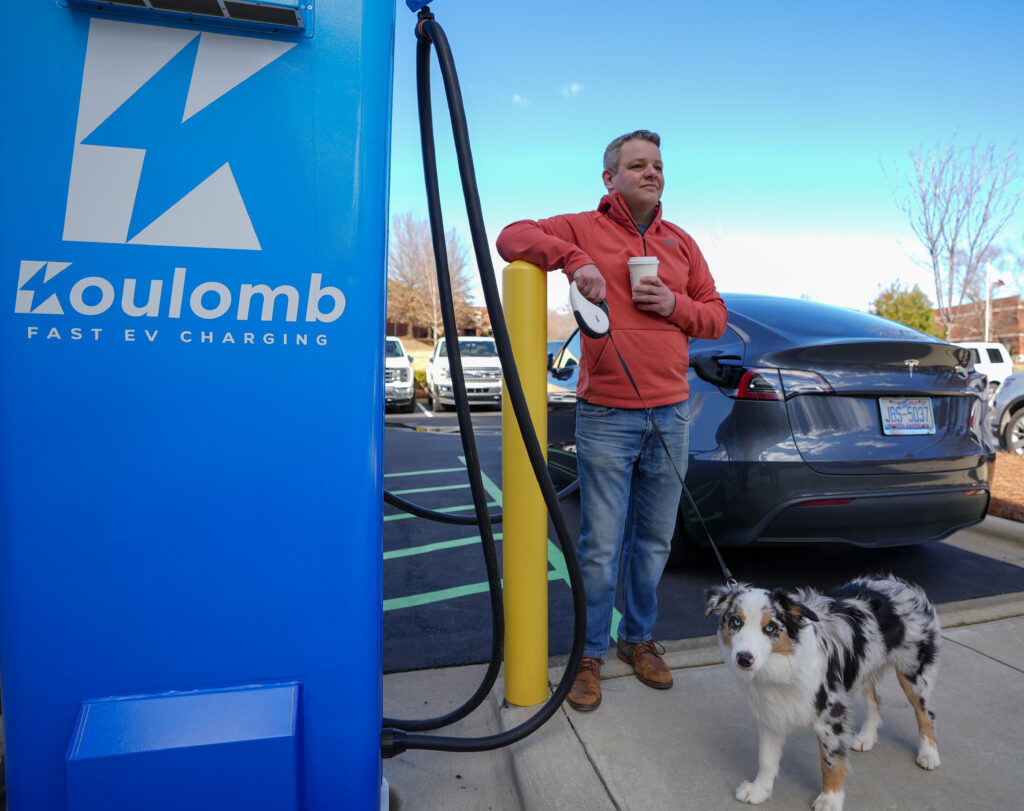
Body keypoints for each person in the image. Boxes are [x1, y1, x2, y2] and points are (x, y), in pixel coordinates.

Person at [496, 130, 728, 711]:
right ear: (610, 178)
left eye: (658, 165)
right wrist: (574, 261)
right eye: (637, 165)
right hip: (605, 415)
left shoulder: (681, 243)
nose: (652, 173)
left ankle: (639, 639)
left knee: (652, 544)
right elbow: (511, 236)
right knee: (601, 546)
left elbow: (717, 317)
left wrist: (675, 307)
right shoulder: (582, 227)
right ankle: (590, 653)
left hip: (671, 413)